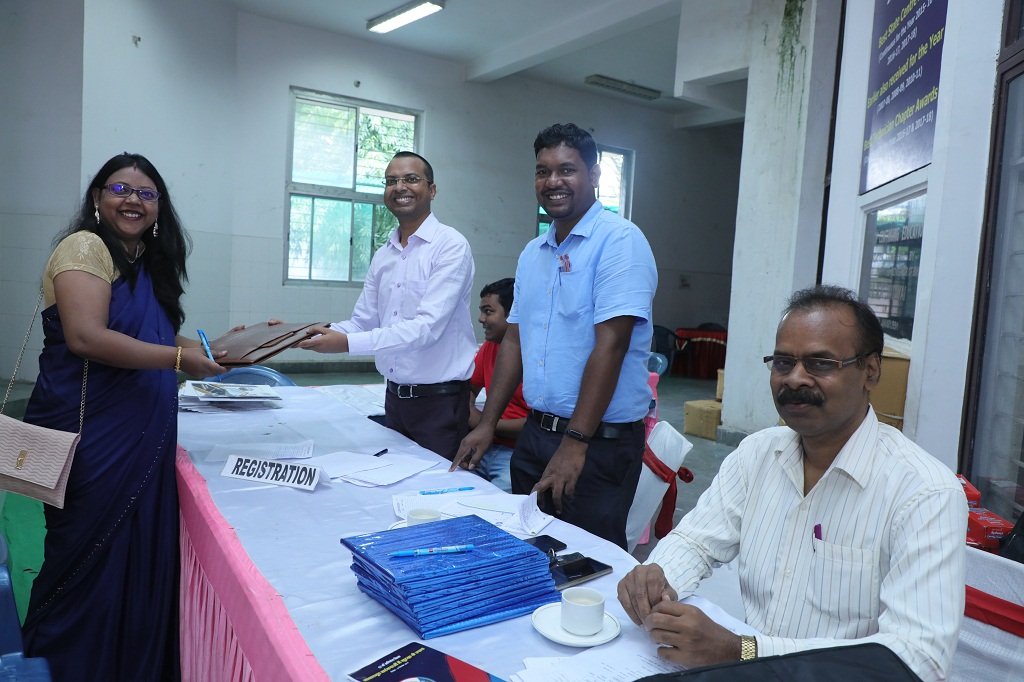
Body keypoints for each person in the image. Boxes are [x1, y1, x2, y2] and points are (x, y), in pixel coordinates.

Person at [617, 285, 967, 681]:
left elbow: (917, 660)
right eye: (783, 362)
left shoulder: (924, 493)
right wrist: (659, 578)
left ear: (870, 371)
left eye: (820, 363)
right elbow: (696, 541)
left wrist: (743, 651)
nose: (795, 379)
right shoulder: (758, 454)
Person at [20, 152, 226, 681]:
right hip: (92, 439)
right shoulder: (84, 248)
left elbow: (156, 339)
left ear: (159, 208)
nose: (133, 200)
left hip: (140, 434)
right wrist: (182, 360)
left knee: (137, 559)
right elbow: (87, 337)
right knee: (86, 557)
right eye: (120, 189)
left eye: (146, 193)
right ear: (97, 198)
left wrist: (226, 347)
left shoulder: (142, 263)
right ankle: (71, 664)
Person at [454, 123, 657, 549]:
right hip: (536, 435)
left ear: (595, 175)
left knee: (589, 563)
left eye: (567, 170)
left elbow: (612, 346)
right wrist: (488, 424)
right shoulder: (534, 253)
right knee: (530, 551)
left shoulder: (620, 242)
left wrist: (574, 443)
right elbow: (513, 340)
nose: (553, 182)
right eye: (542, 171)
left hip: (597, 444)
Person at [299, 151, 476, 460]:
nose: (400, 187)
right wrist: (305, 333)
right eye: (391, 181)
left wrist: (346, 344)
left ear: (432, 190)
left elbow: (426, 328)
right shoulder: (385, 253)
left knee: (432, 499)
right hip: (394, 400)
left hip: (439, 406)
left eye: (411, 179)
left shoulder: (450, 246)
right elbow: (363, 321)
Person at [460, 278, 529, 492]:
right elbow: (468, 390)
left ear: (513, 314)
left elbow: (533, 425)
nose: (481, 319)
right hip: (485, 446)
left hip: (515, 453)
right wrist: (476, 417)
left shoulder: (534, 355)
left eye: (488, 312)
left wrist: (485, 424)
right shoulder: (490, 347)